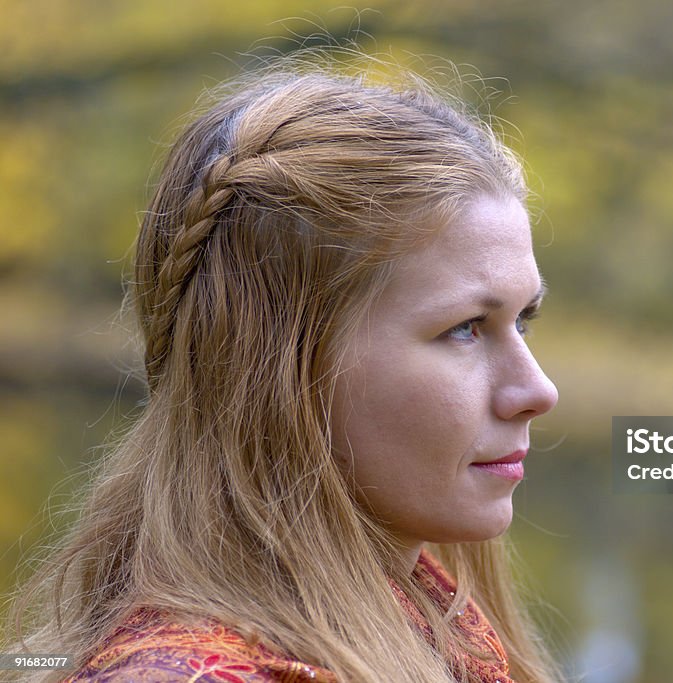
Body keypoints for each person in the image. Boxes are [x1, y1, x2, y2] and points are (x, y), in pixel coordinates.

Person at [7, 56, 561, 683]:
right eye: (465, 327)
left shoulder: (432, 622)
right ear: (282, 365)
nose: (537, 391)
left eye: (523, 320)